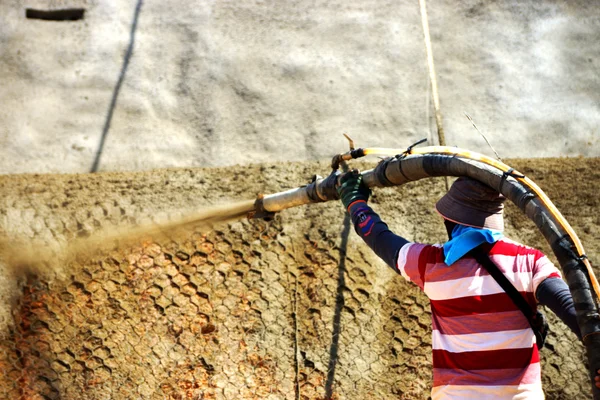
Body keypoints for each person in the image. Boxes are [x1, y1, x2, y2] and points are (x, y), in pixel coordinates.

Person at [337, 171, 583, 399]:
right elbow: (577, 312)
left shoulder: (431, 263)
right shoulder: (529, 261)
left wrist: (355, 202)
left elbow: (379, 238)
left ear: (450, 220)